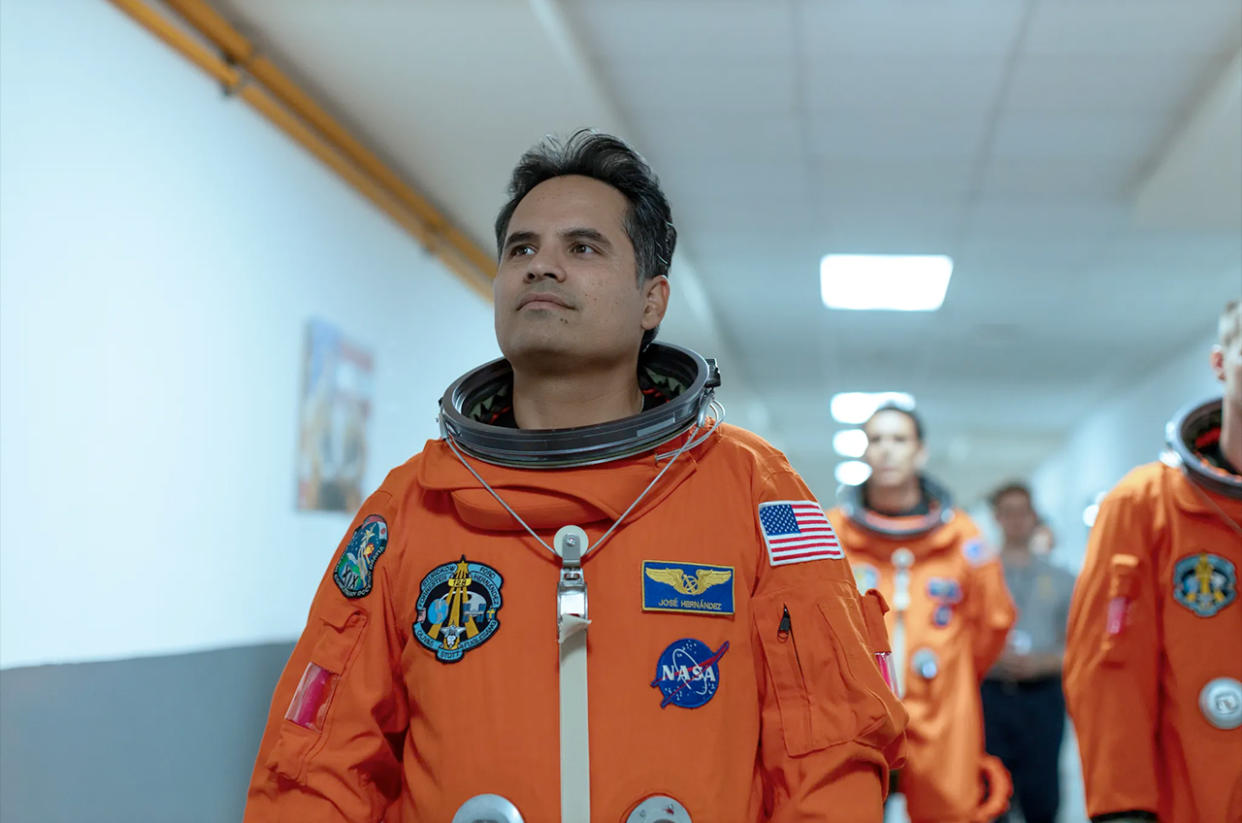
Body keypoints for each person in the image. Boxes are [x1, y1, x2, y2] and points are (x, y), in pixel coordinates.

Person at [244, 130, 907, 823]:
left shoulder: (755, 489)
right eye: (521, 249)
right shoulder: (413, 505)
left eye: (582, 247)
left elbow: (829, 750)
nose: (541, 267)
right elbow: (317, 766)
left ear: (652, 300)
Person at [1064, 299, 1242, 823]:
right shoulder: (1144, 503)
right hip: (1190, 799)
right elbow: (1108, 671)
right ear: (1220, 363)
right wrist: (1122, 807)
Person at [827, 403, 1015, 823]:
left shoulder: (962, 536)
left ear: (920, 451)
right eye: (876, 440)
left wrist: (950, 675)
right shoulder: (835, 533)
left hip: (941, 711)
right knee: (842, 811)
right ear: (865, 451)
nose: (887, 450)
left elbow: (994, 622)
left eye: (899, 439)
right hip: (854, 711)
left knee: (949, 811)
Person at [981, 482, 1075, 823]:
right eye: (1008, 512)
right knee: (990, 795)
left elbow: (1078, 644)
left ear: (1034, 516)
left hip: (1043, 699)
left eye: (1023, 512)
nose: (1016, 520)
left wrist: (1043, 663)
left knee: (1042, 795)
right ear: (997, 518)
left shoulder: (1063, 579)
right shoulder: (978, 576)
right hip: (991, 698)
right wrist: (989, 658)